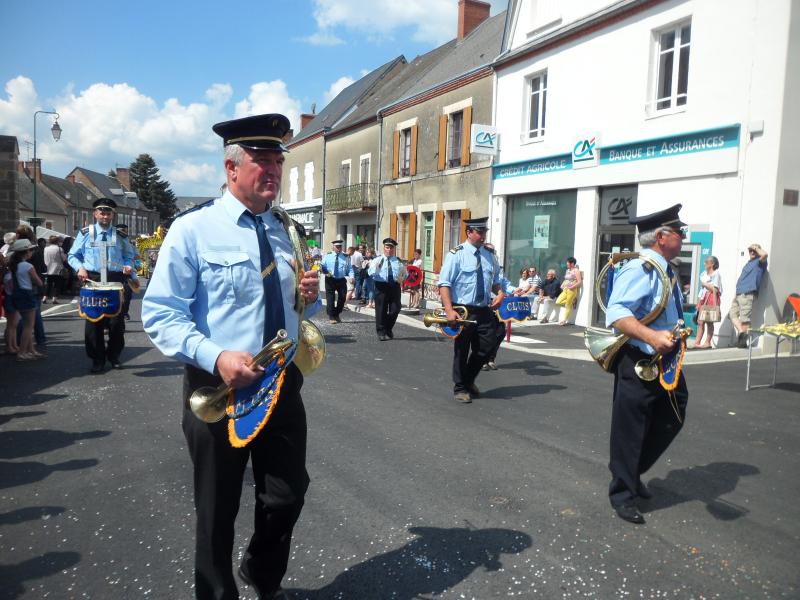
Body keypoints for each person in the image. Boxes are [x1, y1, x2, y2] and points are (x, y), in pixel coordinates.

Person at [142, 113, 320, 600]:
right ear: (231, 167)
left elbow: (297, 308)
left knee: (287, 495)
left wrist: (309, 296)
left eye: (278, 161)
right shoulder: (192, 229)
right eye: (262, 160)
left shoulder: (287, 230)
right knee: (216, 509)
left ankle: (262, 574)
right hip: (218, 387)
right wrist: (216, 355)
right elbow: (161, 313)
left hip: (281, 383)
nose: (273, 170)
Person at [604, 204, 689, 525]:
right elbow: (617, 313)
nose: (683, 237)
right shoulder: (641, 268)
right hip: (639, 358)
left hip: (666, 359)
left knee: (673, 413)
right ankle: (622, 493)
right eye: (679, 232)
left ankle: (631, 469)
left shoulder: (665, 268)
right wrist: (652, 337)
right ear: (662, 237)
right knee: (631, 427)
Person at [438, 217, 504, 403]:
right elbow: (444, 284)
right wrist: (449, 310)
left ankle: (467, 380)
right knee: (462, 350)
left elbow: (495, 281)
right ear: (469, 232)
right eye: (479, 232)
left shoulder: (490, 255)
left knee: (486, 347)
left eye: (484, 232)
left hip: (484, 309)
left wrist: (500, 294)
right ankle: (460, 388)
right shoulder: (456, 254)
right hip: (463, 309)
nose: (483, 236)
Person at [68, 197, 134, 373]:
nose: (105, 216)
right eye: (102, 212)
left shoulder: (120, 236)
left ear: (113, 215)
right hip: (93, 280)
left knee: (116, 323)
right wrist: (80, 268)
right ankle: (97, 359)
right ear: (95, 214)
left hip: (115, 280)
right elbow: (73, 255)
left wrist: (129, 266)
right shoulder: (84, 233)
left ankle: (114, 356)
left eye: (108, 213)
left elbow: (129, 255)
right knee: (93, 323)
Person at [7, 239, 46, 361]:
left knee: (25, 324)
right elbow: (38, 282)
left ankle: (31, 350)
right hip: (27, 294)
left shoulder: (14, 265)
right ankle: (22, 352)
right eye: (31, 250)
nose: (32, 252)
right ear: (26, 252)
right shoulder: (28, 266)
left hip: (17, 295)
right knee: (29, 326)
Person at [729, 243, 768, 348]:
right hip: (739, 293)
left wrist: (756, 248)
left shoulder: (760, 261)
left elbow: (765, 254)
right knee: (732, 314)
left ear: (758, 251)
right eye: (750, 250)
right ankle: (742, 332)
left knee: (744, 318)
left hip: (747, 293)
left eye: (754, 250)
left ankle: (742, 341)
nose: (752, 252)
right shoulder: (749, 262)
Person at [369, 238, 406, 341]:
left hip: (394, 286)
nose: (389, 250)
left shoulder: (398, 261)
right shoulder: (377, 260)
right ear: (384, 248)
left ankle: (388, 328)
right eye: (387, 247)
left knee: (396, 308)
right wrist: (377, 268)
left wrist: (403, 277)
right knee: (381, 310)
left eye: (391, 248)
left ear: (394, 249)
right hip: (381, 286)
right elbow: (370, 273)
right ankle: (381, 331)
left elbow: (404, 274)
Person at [320, 239, 353, 323]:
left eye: (340, 247)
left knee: (342, 297)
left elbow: (350, 268)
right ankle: (331, 316)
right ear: (333, 247)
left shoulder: (346, 257)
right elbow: (322, 266)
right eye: (337, 247)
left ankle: (337, 313)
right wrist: (324, 271)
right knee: (330, 298)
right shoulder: (328, 256)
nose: (339, 249)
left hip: (341, 279)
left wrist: (352, 277)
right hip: (330, 279)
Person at [693, 256, 722, 349]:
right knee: (700, 321)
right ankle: (697, 342)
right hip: (703, 299)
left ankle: (707, 342)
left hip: (711, 299)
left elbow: (716, 290)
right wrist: (699, 302)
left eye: (706, 262)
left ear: (712, 264)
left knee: (709, 321)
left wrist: (705, 284)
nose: (704, 263)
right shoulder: (703, 274)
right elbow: (702, 290)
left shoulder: (716, 274)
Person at [556, 257, 582, 325]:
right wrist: (563, 286)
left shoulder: (576, 271)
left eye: (568, 263)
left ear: (572, 263)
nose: (567, 265)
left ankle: (564, 320)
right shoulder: (567, 270)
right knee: (558, 301)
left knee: (568, 305)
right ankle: (572, 301)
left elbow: (579, 282)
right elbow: (566, 279)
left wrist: (572, 287)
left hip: (572, 290)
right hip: (565, 289)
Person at [43, 235, 65, 303]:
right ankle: (54, 299)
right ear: (57, 241)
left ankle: (44, 298)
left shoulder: (46, 248)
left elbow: (45, 258)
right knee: (57, 284)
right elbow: (64, 259)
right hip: (58, 268)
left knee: (48, 284)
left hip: (48, 268)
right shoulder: (59, 249)